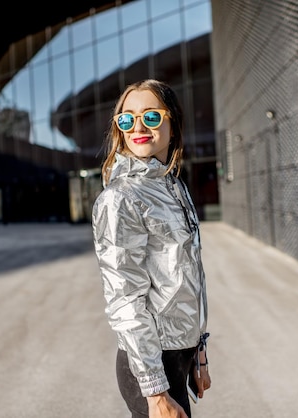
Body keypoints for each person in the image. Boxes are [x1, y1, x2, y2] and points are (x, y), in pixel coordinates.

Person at [91, 79, 211, 418]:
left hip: (180, 355)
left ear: (172, 124)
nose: (138, 127)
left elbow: (192, 276)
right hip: (149, 364)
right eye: (127, 119)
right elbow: (125, 298)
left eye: (152, 116)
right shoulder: (119, 200)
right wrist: (156, 392)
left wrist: (198, 355)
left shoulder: (175, 187)